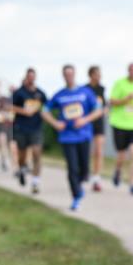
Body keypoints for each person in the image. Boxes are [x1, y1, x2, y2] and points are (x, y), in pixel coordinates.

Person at [42, 65, 102, 211]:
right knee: (72, 168)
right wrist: (55, 123)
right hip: (67, 137)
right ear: (63, 76)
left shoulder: (85, 92)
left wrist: (85, 120)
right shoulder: (60, 95)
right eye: (66, 74)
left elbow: (98, 110)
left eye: (71, 74)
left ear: (74, 74)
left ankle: (79, 184)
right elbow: (44, 110)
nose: (68, 76)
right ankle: (76, 196)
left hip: (84, 135)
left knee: (84, 170)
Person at [108, 62, 133, 196]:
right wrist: (126, 99)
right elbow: (112, 101)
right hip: (120, 123)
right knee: (122, 155)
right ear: (128, 71)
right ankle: (118, 170)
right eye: (131, 69)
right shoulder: (119, 83)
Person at [11, 68, 48, 194]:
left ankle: (35, 183)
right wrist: (23, 111)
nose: (31, 79)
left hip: (36, 128)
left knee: (37, 153)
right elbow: (11, 106)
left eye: (33, 76)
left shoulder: (40, 94)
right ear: (26, 77)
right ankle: (22, 168)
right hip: (21, 127)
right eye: (29, 76)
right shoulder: (19, 93)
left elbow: (46, 107)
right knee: (22, 155)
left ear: (35, 77)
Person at [85, 65, 108, 192]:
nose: (99, 77)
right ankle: (85, 172)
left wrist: (105, 110)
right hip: (87, 123)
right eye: (97, 74)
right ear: (91, 75)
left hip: (99, 123)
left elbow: (104, 105)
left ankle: (97, 178)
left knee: (99, 151)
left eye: (100, 74)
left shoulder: (101, 89)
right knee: (87, 150)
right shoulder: (84, 89)